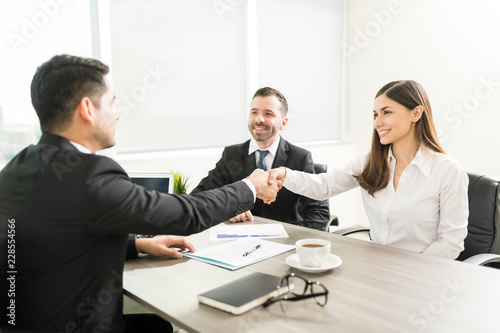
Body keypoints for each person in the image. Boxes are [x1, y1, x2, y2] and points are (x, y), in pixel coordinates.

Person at [0, 54, 279, 332]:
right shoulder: (91, 176)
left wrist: (138, 245)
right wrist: (250, 186)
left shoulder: (16, 168)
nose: (117, 114)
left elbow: (60, 239)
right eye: (111, 103)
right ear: (87, 109)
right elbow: (187, 214)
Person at [268, 80, 469, 259]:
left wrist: (409, 269)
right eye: (375, 114)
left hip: (424, 274)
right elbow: (323, 186)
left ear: (416, 113)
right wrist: (284, 174)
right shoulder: (370, 161)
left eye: (387, 112)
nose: (377, 122)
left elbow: (451, 243)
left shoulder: (447, 171)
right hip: (379, 265)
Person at [191, 87, 330, 230]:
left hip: (285, 240)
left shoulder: (300, 157)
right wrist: (228, 209)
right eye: (254, 112)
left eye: (268, 114)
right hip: (240, 240)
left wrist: (299, 245)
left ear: (283, 122)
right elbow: (199, 196)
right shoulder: (231, 154)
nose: (258, 119)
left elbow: (319, 213)